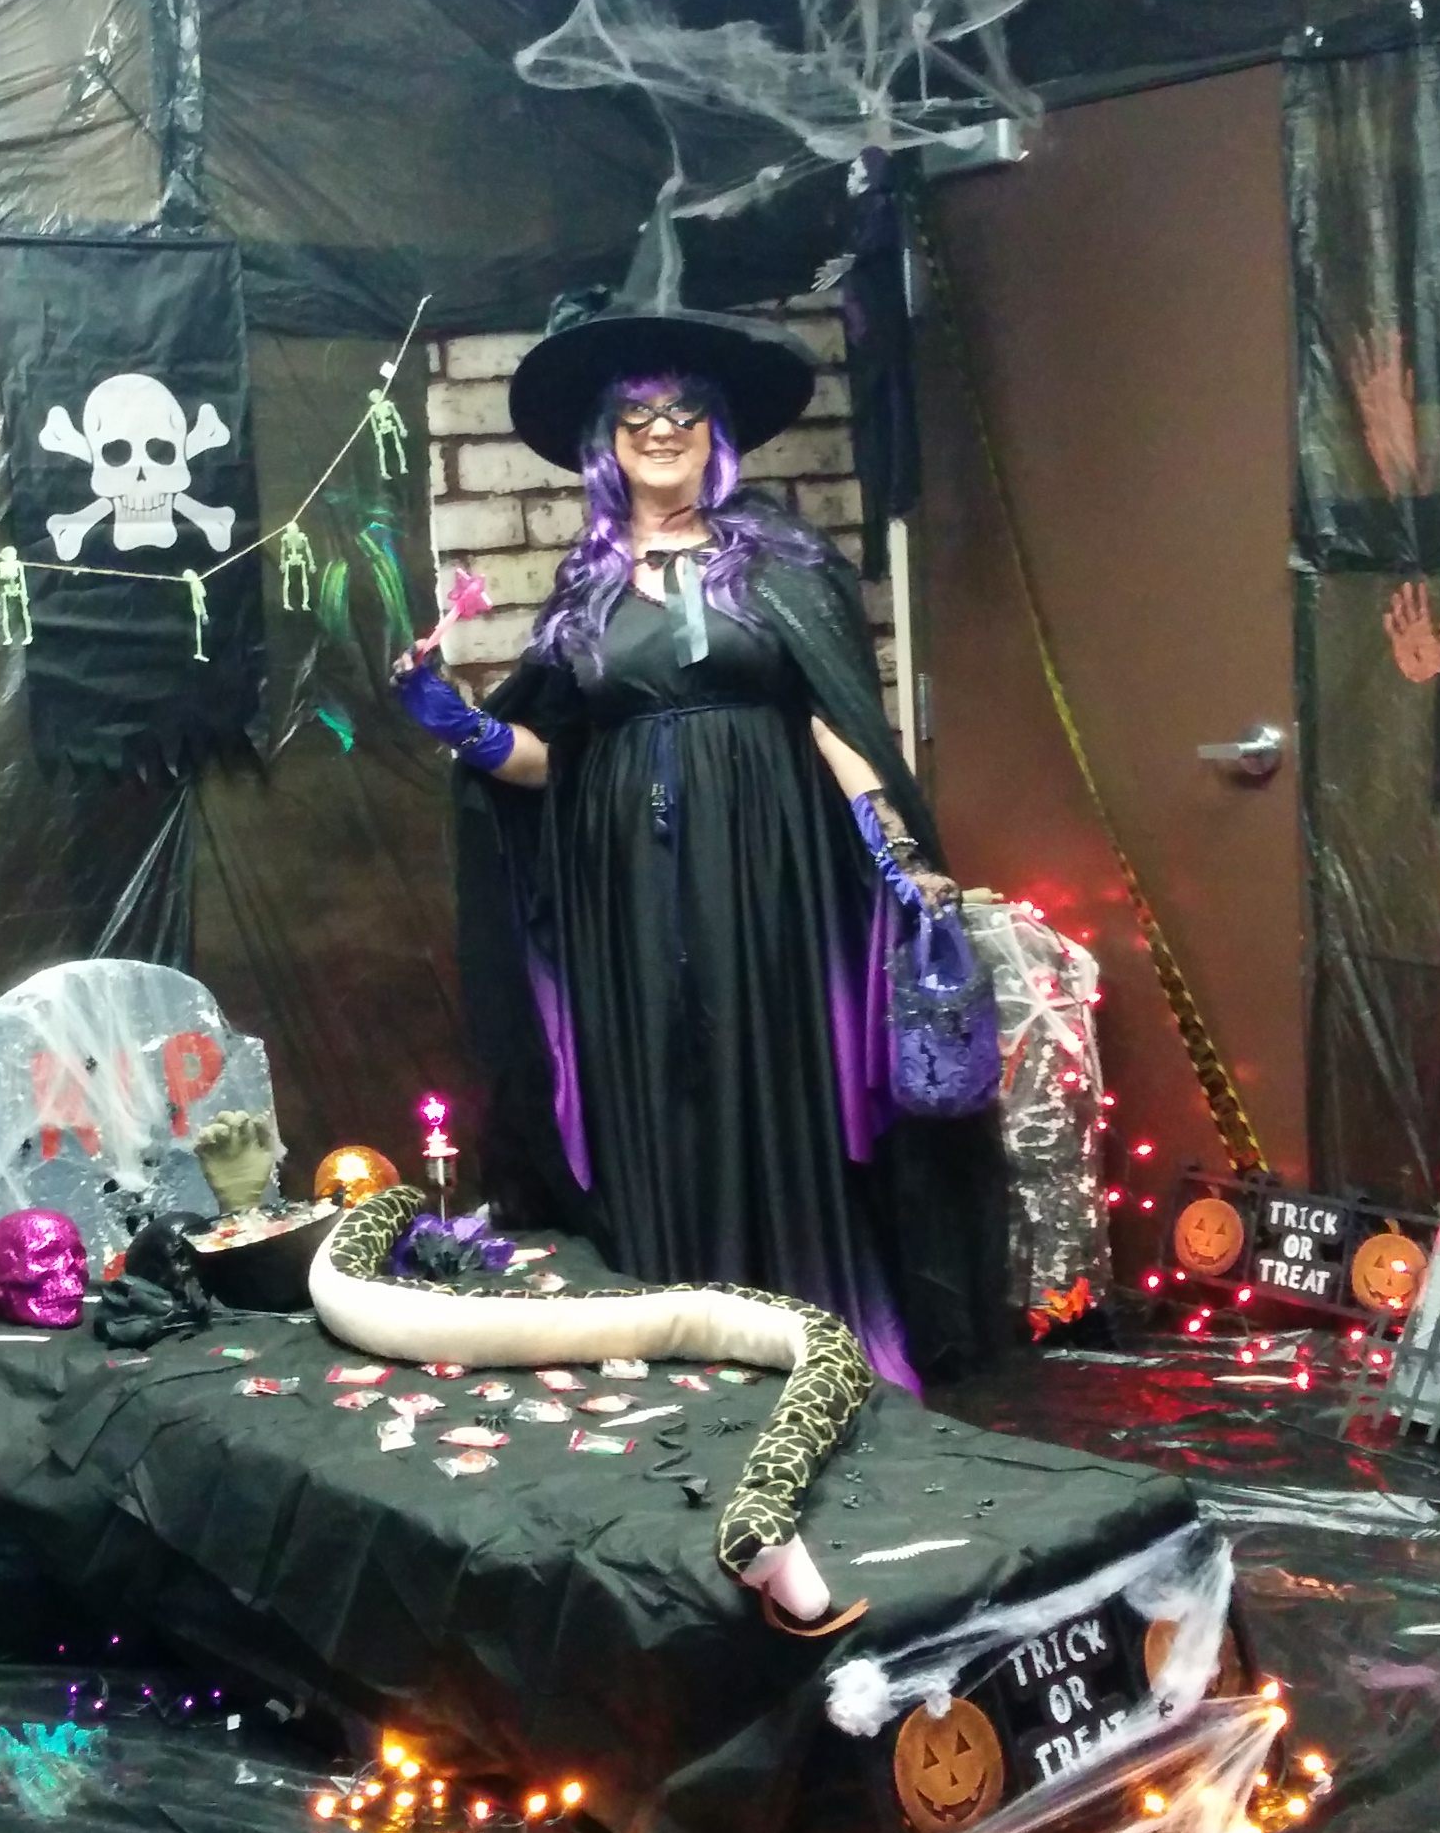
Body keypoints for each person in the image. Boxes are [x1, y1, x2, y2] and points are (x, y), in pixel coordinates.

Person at [392, 276, 1007, 1388]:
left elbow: (837, 720)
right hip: (625, 888)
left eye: (684, 410)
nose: (662, 430)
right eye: (637, 414)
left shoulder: (779, 561)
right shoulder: (583, 589)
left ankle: (811, 1330)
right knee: (657, 1085)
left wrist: (899, 854)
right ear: (607, 441)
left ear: (716, 431)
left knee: (777, 1074)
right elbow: (553, 763)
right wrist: (462, 725)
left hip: (770, 871)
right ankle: (681, 1334)